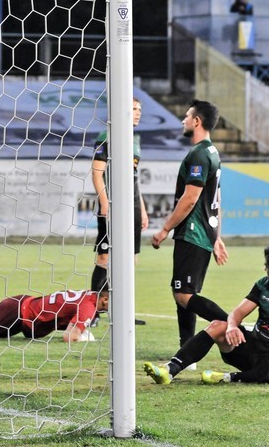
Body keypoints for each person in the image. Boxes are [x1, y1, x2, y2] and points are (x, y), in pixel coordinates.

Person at [151, 100, 229, 352]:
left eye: (186, 116)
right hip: (203, 233)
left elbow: (191, 198)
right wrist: (217, 237)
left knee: (184, 295)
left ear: (197, 121)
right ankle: (187, 348)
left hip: (193, 233)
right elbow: (215, 200)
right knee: (182, 294)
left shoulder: (198, 154)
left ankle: (233, 325)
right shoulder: (212, 153)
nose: (183, 120)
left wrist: (165, 228)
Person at [144, 246, 269, 385]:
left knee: (264, 374)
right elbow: (237, 313)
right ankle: (169, 370)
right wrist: (232, 326)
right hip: (253, 349)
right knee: (218, 326)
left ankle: (227, 377)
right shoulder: (263, 285)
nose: (265, 270)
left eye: (267, 267)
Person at [89, 98, 148, 325]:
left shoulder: (134, 140)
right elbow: (97, 173)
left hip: (131, 205)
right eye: (134, 109)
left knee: (130, 259)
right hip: (113, 204)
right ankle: (92, 312)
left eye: (139, 109)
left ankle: (124, 311)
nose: (138, 113)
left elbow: (134, 179)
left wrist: (141, 209)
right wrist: (105, 202)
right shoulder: (107, 136)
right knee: (105, 256)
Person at [0, 275, 109, 343]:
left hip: (22, 317)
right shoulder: (89, 306)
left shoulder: (88, 295)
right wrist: (84, 337)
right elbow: (69, 337)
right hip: (17, 312)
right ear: (105, 299)